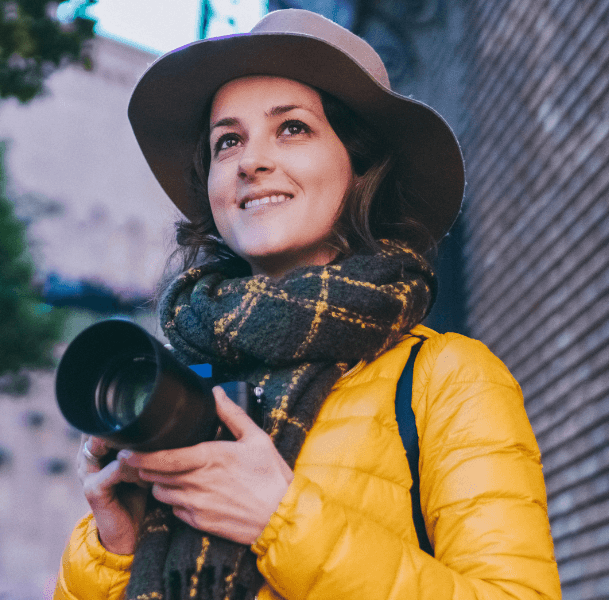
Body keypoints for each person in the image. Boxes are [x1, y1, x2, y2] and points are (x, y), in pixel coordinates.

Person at [54, 9, 559, 600]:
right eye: (228, 141)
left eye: (292, 128)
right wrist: (111, 551)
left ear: (360, 167)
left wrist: (282, 520)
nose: (251, 161)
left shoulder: (447, 380)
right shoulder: (180, 385)